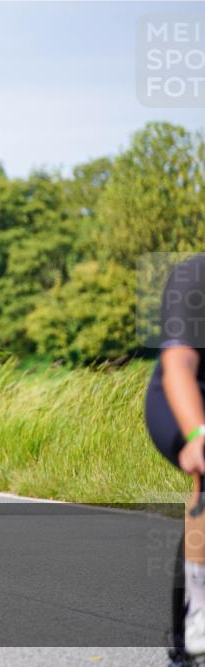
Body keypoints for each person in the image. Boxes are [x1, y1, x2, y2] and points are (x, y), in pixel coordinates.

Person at [145, 253, 205, 660]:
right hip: (183, 394)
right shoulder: (194, 274)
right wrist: (198, 433)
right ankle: (198, 621)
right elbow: (178, 362)